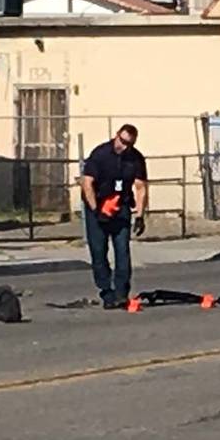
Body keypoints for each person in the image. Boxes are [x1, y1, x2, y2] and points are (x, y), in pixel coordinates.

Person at [81, 124, 149, 309]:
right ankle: (106, 292)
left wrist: (140, 215)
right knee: (98, 251)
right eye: (122, 141)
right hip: (98, 205)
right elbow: (87, 184)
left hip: (121, 207)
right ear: (116, 136)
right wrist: (97, 211)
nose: (124, 147)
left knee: (122, 250)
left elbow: (141, 186)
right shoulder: (100, 154)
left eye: (129, 144)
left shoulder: (135, 159)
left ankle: (121, 293)